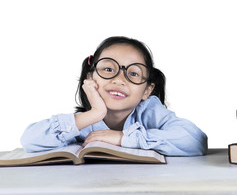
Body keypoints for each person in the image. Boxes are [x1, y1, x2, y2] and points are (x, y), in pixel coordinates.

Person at [21, 36, 208, 156]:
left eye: (133, 73)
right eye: (108, 69)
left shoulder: (150, 111)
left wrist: (121, 137)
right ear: (90, 78)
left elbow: (195, 140)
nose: (119, 80)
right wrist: (95, 114)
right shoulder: (84, 122)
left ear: (147, 90)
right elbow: (29, 139)